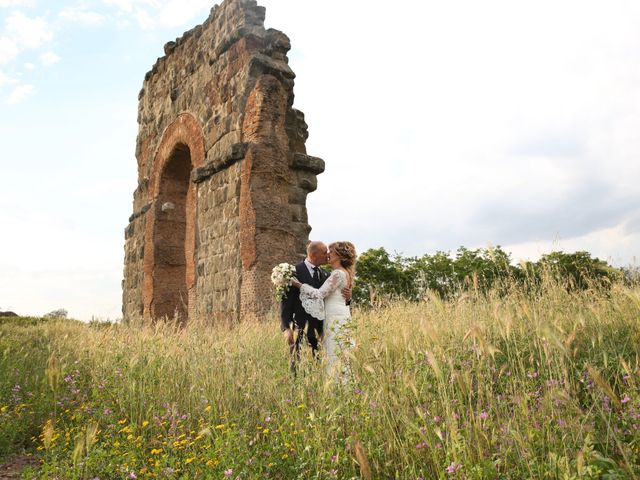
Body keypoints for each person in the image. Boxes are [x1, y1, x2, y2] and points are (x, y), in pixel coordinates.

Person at [280, 241, 351, 372]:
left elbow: (326, 295)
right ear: (313, 255)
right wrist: (286, 327)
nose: (327, 255)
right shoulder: (293, 271)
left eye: (329, 252)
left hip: (322, 329)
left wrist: (348, 297)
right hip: (299, 328)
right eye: (324, 253)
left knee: (320, 369)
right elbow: (286, 302)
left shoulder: (327, 274)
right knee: (298, 368)